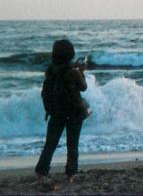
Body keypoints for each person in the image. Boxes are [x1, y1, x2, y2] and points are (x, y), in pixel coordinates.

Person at [35, 39, 88, 184]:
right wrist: (81, 72)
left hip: (56, 112)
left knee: (50, 144)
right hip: (74, 113)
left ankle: (41, 173)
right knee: (72, 145)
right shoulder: (74, 73)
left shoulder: (50, 70)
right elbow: (83, 87)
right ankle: (70, 175)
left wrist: (75, 67)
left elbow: (61, 71)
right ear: (70, 54)